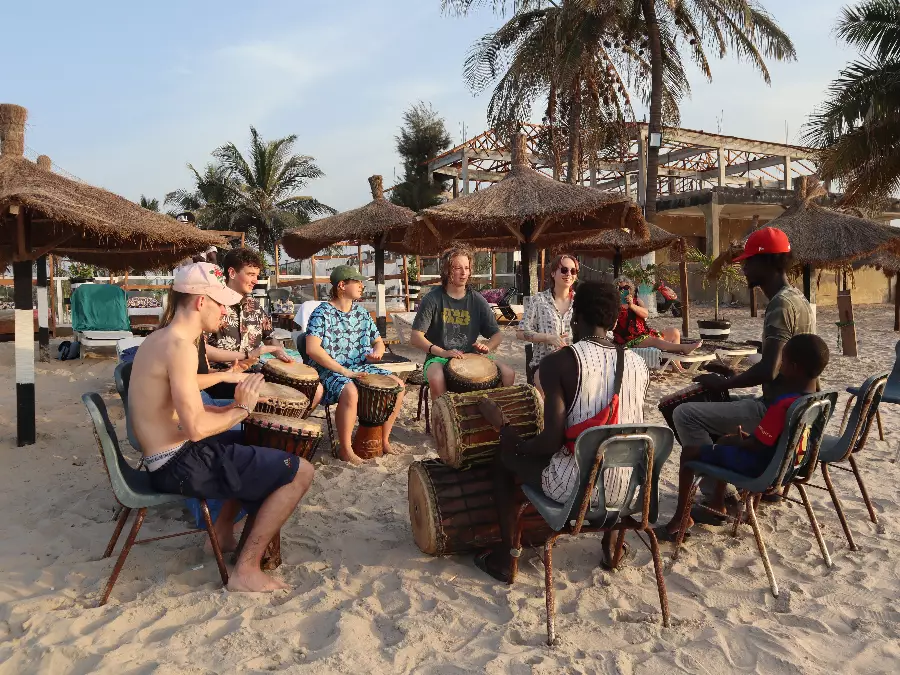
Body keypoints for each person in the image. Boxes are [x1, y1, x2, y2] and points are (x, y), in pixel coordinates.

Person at [129, 262, 314, 593]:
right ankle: (246, 570)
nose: (225, 313)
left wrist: (226, 390)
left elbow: (180, 389)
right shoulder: (180, 346)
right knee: (301, 471)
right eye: (221, 305)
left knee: (255, 443)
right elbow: (196, 428)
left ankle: (223, 532)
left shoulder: (161, 339)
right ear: (201, 301)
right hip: (178, 464)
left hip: (162, 457)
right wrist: (242, 409)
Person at [472, 281, 650, 582]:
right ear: (613, 321)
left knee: (503, 461)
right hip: (630, 492)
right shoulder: (638, 363)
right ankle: (611, 546)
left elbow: (550, 443)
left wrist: (506, 430)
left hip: (576, 490)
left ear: (575, 315)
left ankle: (506, 558)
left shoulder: (560, 362)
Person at [659, 226, 815, 537]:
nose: (743, 269)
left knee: (684, 413)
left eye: (748, 262)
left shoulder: (780, 305)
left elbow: (769, 370)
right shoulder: (798, 298)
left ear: (767, 263)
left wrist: (723, 384)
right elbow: (784, 362)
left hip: (774, 410)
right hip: (792, 408)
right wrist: (735, 375)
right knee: (717, 406)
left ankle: (718, 497)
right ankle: (723, 486)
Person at [663, 333, 829, 537]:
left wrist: (739, 440)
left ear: (794, 367)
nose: (780, 366)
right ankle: (717, 503)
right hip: (790, 469)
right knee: (725, 441)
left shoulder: (782, 406)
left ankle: (681, 518)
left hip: (762, 470)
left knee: (690, 453)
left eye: (783, 362)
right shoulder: (817, 401)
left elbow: (757, 445)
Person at [305, 265, 406, 465]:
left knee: (398, 386)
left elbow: (378, 341)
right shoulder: (322, 313)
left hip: (359, 366)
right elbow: (312, 349)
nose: (362, 286)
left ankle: (384, 440)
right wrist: (343, 371)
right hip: (329, 369)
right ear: (342, 285)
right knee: (350, 391)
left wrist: (377, 351)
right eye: (357, 282)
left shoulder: (361, 313)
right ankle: (346, 449)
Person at [203, 248, 322, 408]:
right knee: (271, 396)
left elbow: (269, 337)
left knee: (315, 390)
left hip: (252, 371)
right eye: (250, 274)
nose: (255, 280)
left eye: (257, 275)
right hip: (222, 375)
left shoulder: (255, 306)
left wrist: (279, 352)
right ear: (232, 273)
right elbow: (201, 348)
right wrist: (244, 358)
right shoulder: (214, 305)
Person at [410, 246, 515, 400]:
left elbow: (497, 335)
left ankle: (490, 413)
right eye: (458, 268)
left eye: (466, 268)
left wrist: (488, 346)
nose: (464, 273)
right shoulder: (432, 299)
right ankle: (443, 414)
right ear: (447, 270)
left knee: (508, 374)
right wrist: (443, 352)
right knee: (437, 378)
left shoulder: (477, 300)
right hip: (437, 358)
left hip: (471, 357)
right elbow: (415, 337)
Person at [517, 254, 577, 396]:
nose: (569, 274)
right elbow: (520, 332)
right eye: (564, 270)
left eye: (573, 271)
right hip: (544, 362)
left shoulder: (580, 301)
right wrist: (547, 337)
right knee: (548, 387)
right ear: (553, 273)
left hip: (574, 362)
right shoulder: (538, 300)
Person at [612, 275, 699, 354]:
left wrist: (631, 305)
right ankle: (683, 348)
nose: (623, 290)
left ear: (630, 289)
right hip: (628, 340)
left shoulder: (637, 301)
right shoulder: (614, 305)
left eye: (626, 287)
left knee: (674, 332)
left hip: (644, 334)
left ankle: (677, 364)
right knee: (655, 340)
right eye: (620, 288)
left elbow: (645, 314)